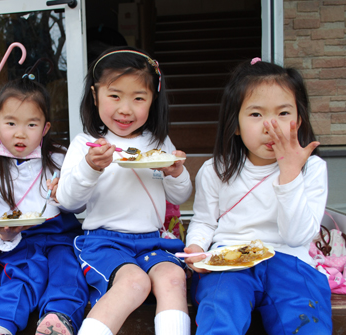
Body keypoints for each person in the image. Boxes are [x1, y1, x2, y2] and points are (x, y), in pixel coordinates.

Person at [184, 58, 333, 335]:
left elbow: (296, 236)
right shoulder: (216, 169)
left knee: (305, 319)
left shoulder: (311, 168)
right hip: (229, 261)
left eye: (284, 113)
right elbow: (205, 221)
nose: (270, 125)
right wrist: (196, 247)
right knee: (219, 314)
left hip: (290, 260)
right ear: (236, 124)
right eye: (256, 115)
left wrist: (289, 173)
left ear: (299, 120)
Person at [57, 46, 193, 335]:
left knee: (172, 277)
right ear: (95, 96)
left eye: (138, 98)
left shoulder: (160, 142)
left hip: (152, 242)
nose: (125, 109)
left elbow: (180, 196)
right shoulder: (86, 145)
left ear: (153, 99)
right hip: (104, 242)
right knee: (135, 282)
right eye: (115, 95)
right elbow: (68, 202)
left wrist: (176, 172)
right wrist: (90, 168)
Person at [0, 76, 88, 335]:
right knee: (22, 275)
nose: (20, 133)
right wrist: (5, 233)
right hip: (22, 240)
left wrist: (64, 194)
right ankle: (0, 325)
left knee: (67, 269)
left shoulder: (62, 158)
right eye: (11, 123)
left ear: (45, 127)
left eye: (31, 124)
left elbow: (81, 204)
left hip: (61, 235)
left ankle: (58, 317)